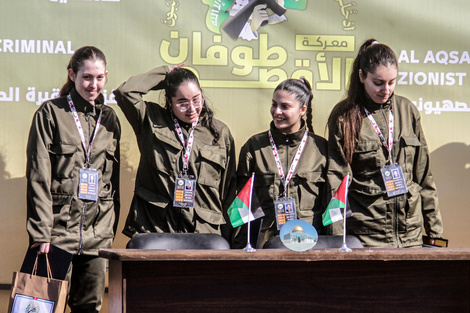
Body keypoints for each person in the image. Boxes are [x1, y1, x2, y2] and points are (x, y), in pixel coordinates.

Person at [26, 46, 121, 312]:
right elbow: (38, 175)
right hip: (57, 232)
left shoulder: (110, 119)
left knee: (88, 307)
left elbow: (112, 183)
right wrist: (41, 231)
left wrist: (108, 231)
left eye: (100, 77)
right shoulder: (50, 113)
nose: (94, 84)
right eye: (87, 77)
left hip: (97, 234)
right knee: (45, 305)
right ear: (72, 75)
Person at [327, 39, 444, 248]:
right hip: (367, 236)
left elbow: (424, 176)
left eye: (392, 82)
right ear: (362, 76)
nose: (386, 90)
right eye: (378, 83)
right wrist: (338, 240)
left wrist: (435, 233)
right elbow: (337, 182)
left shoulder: (407, 110)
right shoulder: (344, 116)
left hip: (411, 234)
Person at [113, 65, 236, 240]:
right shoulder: (151, 119)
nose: (192, 109)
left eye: (196, 99)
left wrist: (231, 241)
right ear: (169, 101)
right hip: (155, 229)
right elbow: (125, 92)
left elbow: (229, 191)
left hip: (203, 233)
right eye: (182, 103)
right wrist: (165, 74)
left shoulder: (219, 133)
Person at [234, 78, 328, 249]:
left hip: (310, 245)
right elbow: (242, 207)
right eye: (274, 104)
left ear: (302, 110)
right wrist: (241, 249)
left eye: (285, 106)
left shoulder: (321, 149)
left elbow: (330, 206)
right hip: (265, 247)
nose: (277, 111)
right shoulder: (254, 147)